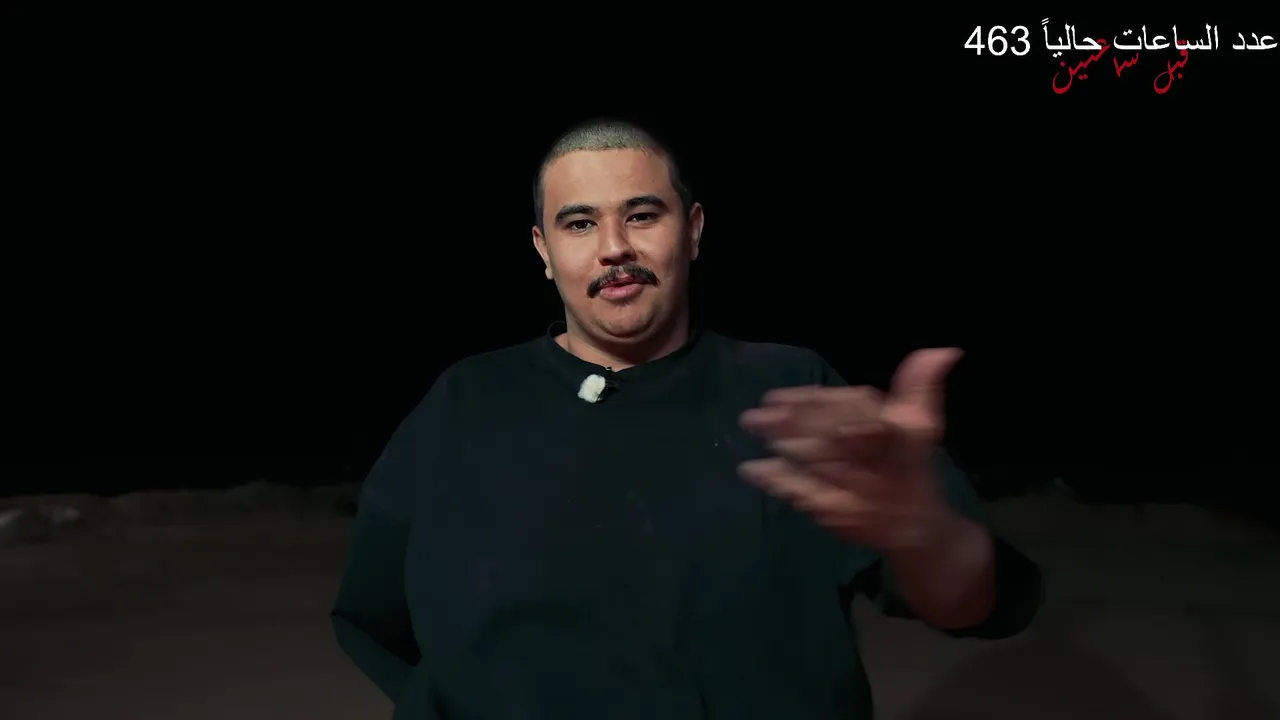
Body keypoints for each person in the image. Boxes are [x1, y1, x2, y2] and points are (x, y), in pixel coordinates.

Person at [331, 118, 1043, 719]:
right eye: (580, 223)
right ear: (544, 251)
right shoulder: (467, 402)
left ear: (693, 230)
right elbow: (378, 619)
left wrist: (925, 529)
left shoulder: (788, 391)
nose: (615, 247)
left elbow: (974, 603)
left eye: (642, 215)